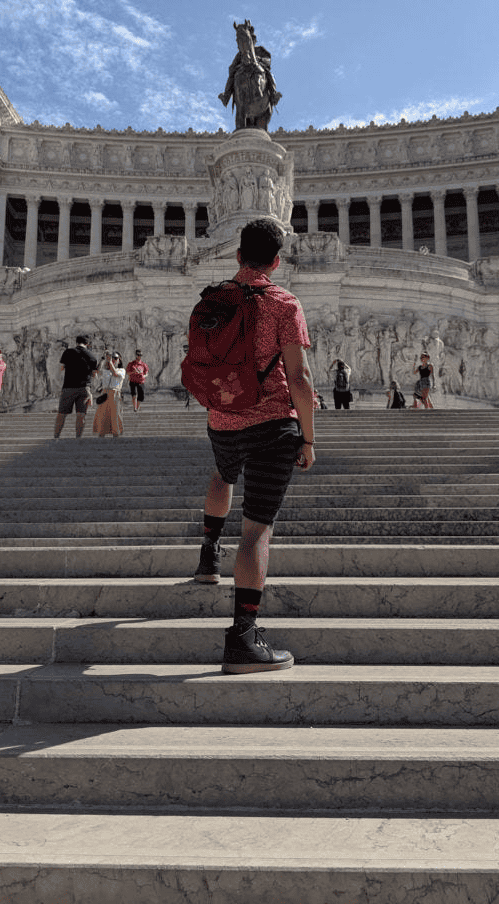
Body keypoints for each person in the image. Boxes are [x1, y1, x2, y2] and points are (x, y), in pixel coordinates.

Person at [192, 218, 315, 674]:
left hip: (221, 419)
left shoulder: (212, 298)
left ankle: (208, 553)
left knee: (222, 474)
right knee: (256, 529)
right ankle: (243, 637)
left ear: (237, 255)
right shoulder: (284, 302)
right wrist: (308, 437)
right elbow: (300, 377)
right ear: (277, 260)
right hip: (270, 424)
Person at [54, 335, 98, 439]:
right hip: (84, 388)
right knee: (81, 415)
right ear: (87, 344)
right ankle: (78, 438)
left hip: (68, 387)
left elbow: (61, 369)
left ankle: (56, 437)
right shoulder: (92, 356)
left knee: (62, 414)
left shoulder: (68, 352)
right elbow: (94, 375)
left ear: (76, 342)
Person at [93, 351, 126, 437]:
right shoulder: (105, 371)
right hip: (105, 393)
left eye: (115, 358)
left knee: (115, 414)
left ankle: (116, 434)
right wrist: (103, 359)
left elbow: (115, 373)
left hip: (115, 393)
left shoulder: (122, 370)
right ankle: (101, 434)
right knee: (102, 414)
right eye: (112, 358)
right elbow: (96, 372)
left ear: (119, 360)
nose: (114, 360)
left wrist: (110, 361)